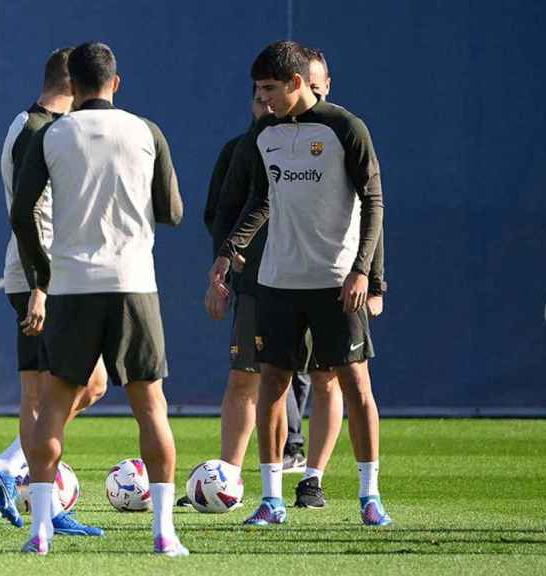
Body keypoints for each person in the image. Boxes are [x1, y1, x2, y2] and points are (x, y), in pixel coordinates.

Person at [12, 42, 187, 555]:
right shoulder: (146, 131)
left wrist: (41, 272)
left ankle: (40, 530)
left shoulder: (50, 134)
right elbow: (173, 211)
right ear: (116, 81)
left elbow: (22, 214)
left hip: (70, 287)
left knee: (53, 406)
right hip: (134, 284)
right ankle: (164, 532)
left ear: (73, 82)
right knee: (151, 408)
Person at [210, 40, 392, 527]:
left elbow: (374, 202)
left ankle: (369, 495)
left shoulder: (346, 128)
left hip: (336, 282)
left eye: (270, 88)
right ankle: (270, 500)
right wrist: (227, 254)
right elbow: (260, 201)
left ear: (295, 83)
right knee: (272, 383)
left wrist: (364, 272)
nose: (262, 99)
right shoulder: (265, 134)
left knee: (355, 384)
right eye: (258, 90)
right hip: (277, 280)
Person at [0, 47, 107, 536]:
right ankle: (9, 468)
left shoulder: (27, 125)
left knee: (40, 394)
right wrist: (42, 286)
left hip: (35, 275)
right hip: (44, 279)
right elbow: (31, 214)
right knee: (89, 382)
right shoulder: (41, 132)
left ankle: (38, 500)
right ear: (74, 85)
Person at [191, 88, 273, 509]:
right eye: (260, 98)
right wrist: (220, 274)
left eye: (273, 95)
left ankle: (311, 478)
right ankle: (228, 478)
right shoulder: (238, 150)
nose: (267, 106)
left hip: (315, 280)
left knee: (328, 378)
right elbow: (218, 217)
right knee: (246, 378)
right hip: (256, 283)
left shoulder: (327, 140)